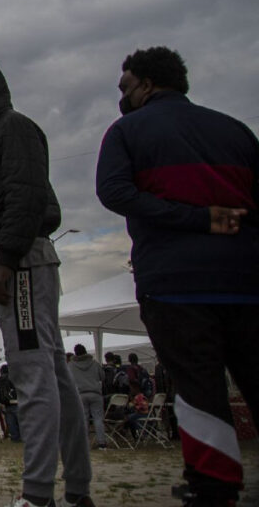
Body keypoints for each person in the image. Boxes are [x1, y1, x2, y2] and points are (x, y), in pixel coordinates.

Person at [96, 46, 258, 507]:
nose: (122, 96)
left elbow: (113, 192)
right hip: (246, 279)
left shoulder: (127, 131)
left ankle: (214, 488)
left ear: (147, 84)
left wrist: (194, 218)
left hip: (175, 282)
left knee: (198, 387)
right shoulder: (235, 130)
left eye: (126, 86)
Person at [0, 60, 93, 507]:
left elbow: (27, 195)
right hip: (17, 258)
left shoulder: (14, 129)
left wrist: (5, 259)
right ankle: (77, 490)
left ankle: (38, 493)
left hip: (21, 262)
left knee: (33, 374)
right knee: (53, 375)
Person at [68, 345, 105, 449]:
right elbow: (102, 377)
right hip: (95, 393)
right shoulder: (94, 363)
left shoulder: (70, 365)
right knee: (98, 418)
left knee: (84, 419)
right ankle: (101, 442)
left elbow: (68, 380)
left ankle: (84, 443)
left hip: (80, 394)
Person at [0, 364, 21, 443]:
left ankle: (14, 437)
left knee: (10, 422)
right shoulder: (12, 377)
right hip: (15, 401)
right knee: (19, 420)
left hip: (5, 403)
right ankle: (21, 436)